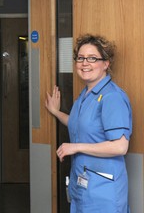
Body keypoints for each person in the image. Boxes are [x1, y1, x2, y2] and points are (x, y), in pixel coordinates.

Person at [45, 34, 132, 212]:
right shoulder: (85, 95)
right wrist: (56, 112)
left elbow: (120, 147)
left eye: (92, 58)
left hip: (103, 191)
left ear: (106, 63)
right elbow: (79, 124)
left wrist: (76, 147)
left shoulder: (112, 97)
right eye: (81, 58)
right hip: (83, 187)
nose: (85, 63)